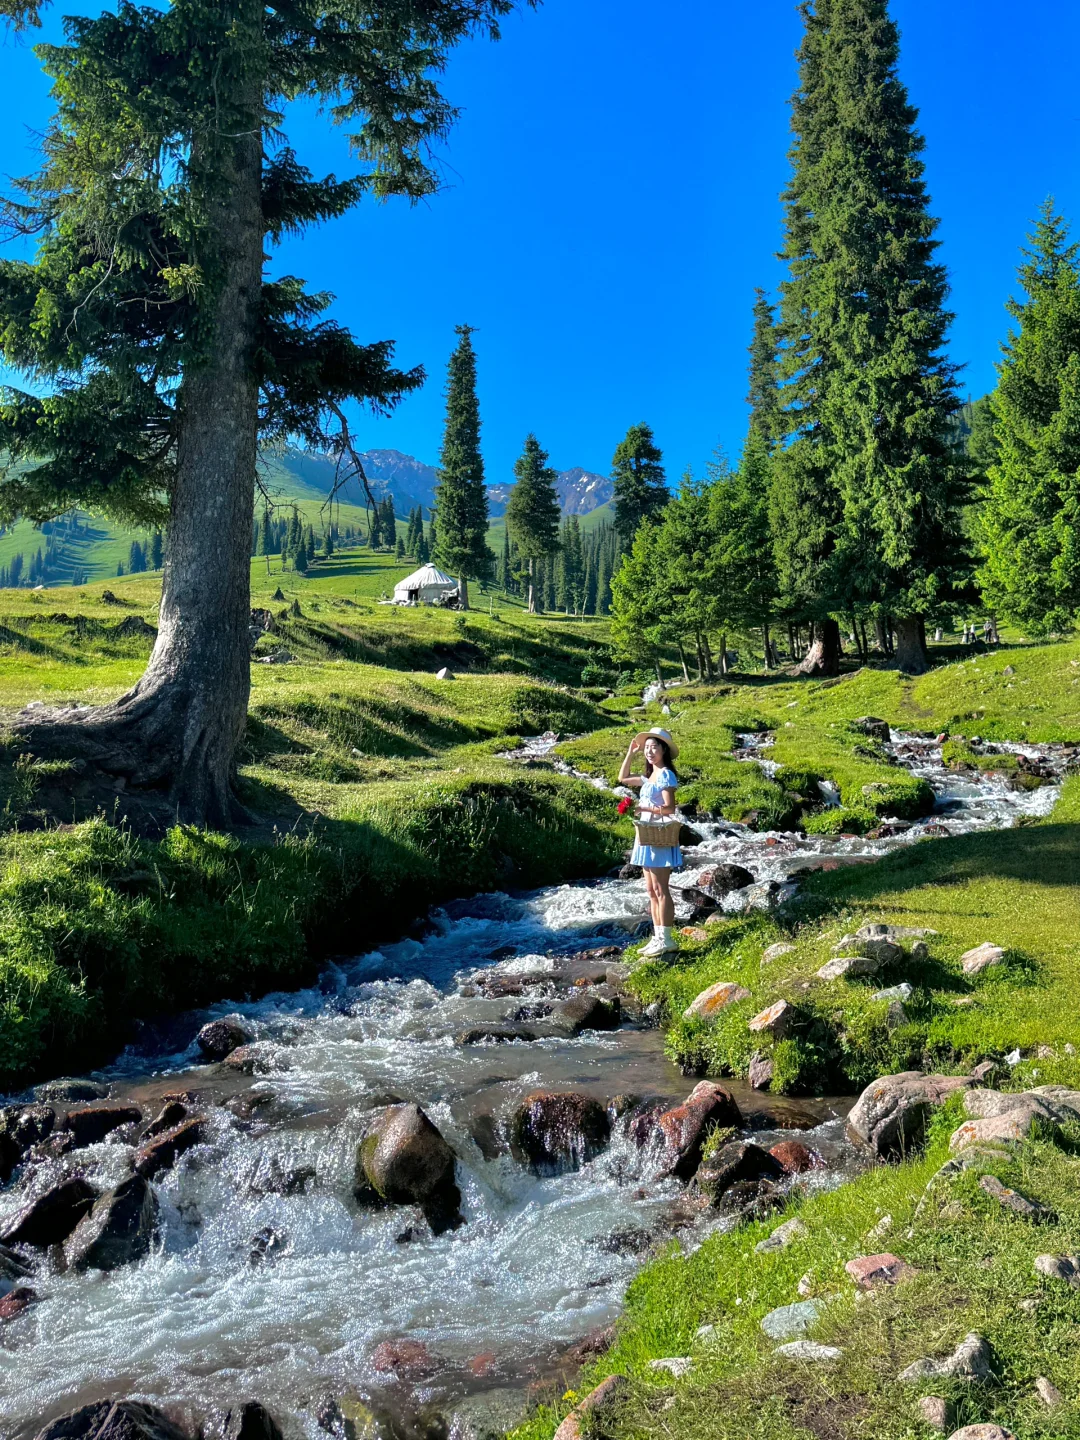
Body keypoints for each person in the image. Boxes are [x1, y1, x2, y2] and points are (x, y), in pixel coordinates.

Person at [618, 726, 681, 957]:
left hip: (659, 834)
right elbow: (622, 778)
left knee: (661, 889)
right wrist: (631, 753)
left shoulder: (665, 774)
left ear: (664, 750)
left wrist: (645, 807)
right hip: (646, 834)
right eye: (647, 748)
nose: (650, 752)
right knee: (651, 889)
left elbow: (670, 808)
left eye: (654, 747)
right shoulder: (649, 777)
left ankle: (667, 938)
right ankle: (657, 937)